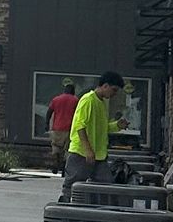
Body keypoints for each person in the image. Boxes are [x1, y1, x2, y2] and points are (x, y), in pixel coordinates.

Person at [62, 70, 126, 200]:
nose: (114, 94)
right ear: (105, 85)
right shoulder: (88, 100)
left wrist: (117, 126)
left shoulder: (101, 103)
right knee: (73, 185)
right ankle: (66, 206)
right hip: (81, 153)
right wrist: (88, 149)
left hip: (97, 154)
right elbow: (80, 126)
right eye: (113, 90)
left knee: (106, 185)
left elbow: (101, 128)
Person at [46, 80, 79, 175]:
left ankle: (56, 164)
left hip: (57, 128)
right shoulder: (75, 100)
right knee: (67, 150)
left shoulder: (56, 99)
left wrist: (47, 124)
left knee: (56, 147)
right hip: (70, 129)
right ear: (73, 91)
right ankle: (65, 168)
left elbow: (49, 111)